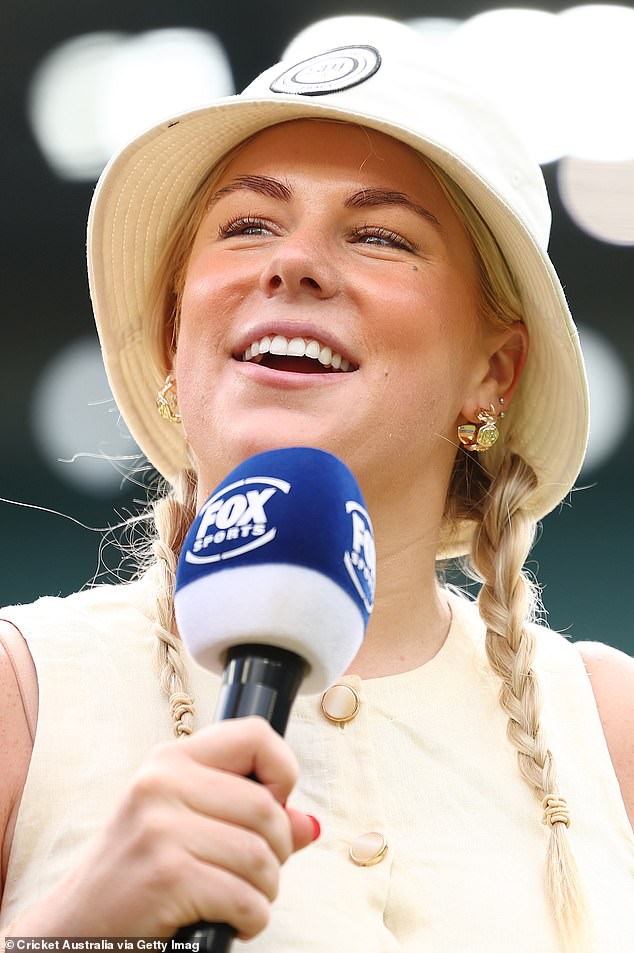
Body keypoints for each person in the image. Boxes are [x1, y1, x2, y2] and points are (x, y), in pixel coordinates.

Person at [1, 18, 633, 953]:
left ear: (493, 372)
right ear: (177, 332)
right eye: (247, 225)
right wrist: (71, 931)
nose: (288, 263)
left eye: (379, 235)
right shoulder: (24, 692)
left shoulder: (610, 732)